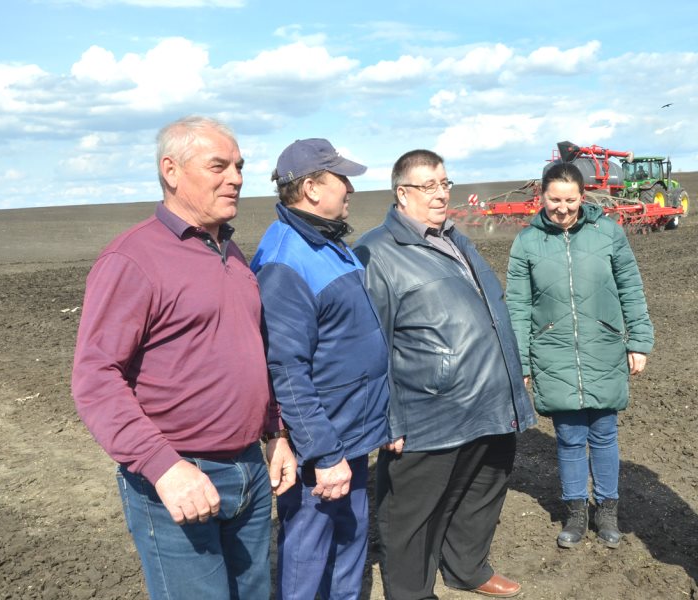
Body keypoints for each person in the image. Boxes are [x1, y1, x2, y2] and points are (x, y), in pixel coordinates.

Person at [71, 115, 296, 600]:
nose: (236, 177)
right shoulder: (132, 260)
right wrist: (165, 467)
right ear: (171, 170)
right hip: (177, 474)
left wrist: (274, 433)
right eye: (219, 165)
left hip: (249, 470)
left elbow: (251, 352)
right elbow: (96, 377)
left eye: (239, 166)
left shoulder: (230, 253)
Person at [353, 149, 536, 599]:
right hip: (429, 409)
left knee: (484, 488)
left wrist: (514, 376)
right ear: (402, 192)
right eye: (428, 185)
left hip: (489, 399)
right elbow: (372, 343)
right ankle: (412, 593)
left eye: (445, 183)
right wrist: (386, 416)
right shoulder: (378, 251)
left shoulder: (455, 237)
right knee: (412, 513)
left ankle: (467, 569)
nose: (440, 193)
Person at [250, 138, 390, 600]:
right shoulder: (287, 259)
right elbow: (286, 368)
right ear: (311, 187)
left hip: (352, 431)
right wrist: (324, 454)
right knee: (310, 557)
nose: (350, 187)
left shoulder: (329, 241)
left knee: (350, 544)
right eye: (341, 178)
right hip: (322, 443)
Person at [506, 162, 654, 550]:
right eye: (555, 199)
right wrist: (520, 362)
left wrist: (638, 340)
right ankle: (575, 511)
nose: (563, 208)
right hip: (552, 351)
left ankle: (607, 510)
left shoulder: (608, 233)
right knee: (569, 437)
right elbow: (518, 307)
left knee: (604, 433)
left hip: (603, 345)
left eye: (570, 200)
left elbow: (631, 288)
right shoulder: (527, 243)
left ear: (582, 197)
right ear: (542, 197)